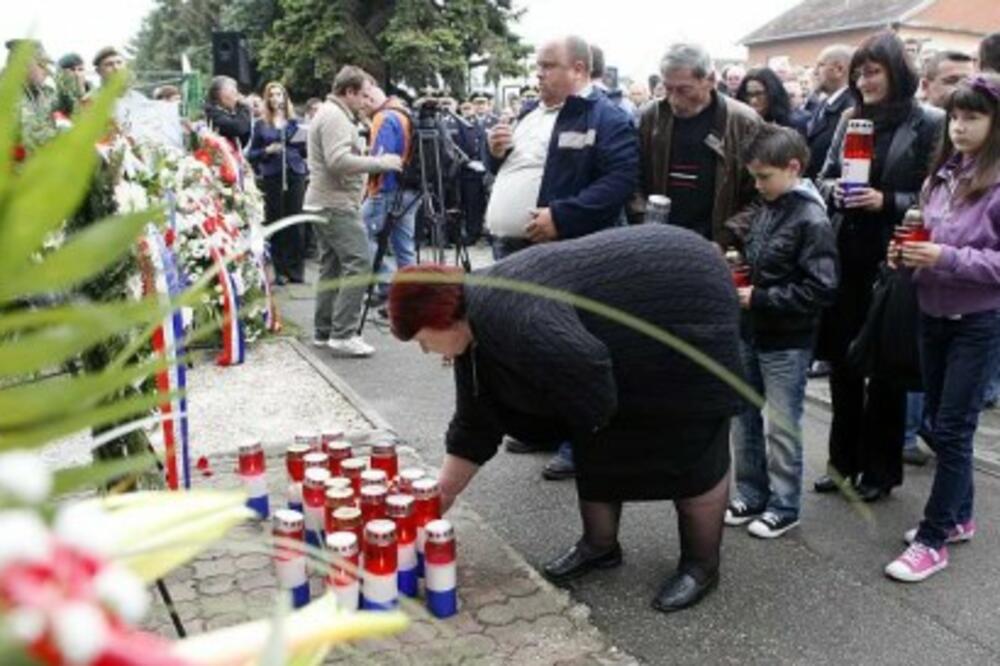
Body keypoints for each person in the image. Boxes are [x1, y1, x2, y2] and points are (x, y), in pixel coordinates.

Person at [387, 224, 744, 612]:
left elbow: (588, 370)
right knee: (596, 444)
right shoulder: (471, 318)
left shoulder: (508, 313)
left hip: (688, 302)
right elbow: (475, 421)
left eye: (423, 341)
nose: (426, 351)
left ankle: (701, 565)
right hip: (616, 342)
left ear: (443, 320)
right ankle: (600, 547)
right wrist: (440, 496)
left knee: (691, 449)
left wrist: (580, 425)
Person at [484, 35, 639, 480]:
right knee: (528, 346)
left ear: (578, 69)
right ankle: (544, 427)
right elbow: (516, 170)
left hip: (562, 249)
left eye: (547, 66)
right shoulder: (532, 115)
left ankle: (579, 441)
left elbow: (619, 180)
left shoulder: (604, 116)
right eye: (537, 67)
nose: (538, 75)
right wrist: (494, 154)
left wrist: (562, 218)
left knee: (569, 347)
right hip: (512, 247)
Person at [813, 31, 944, 502]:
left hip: (894, 256)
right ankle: (842, 464)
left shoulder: (929, 121)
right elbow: (822, 178)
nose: (864, 81)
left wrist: (884, 199)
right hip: (846, 252)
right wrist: (840, 194)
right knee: (844, 366)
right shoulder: (851, 118)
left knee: (885, 370)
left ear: (895, 71)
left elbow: (937, 195)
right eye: (859, 73)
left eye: (872, 72)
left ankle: (880, 472)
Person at [883, 73, 1000, 582]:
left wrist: (945, 256)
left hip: (978, 320)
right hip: (931, 313)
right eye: (954, 116)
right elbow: (928, 236)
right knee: (936, 421)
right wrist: (905, 255)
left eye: (972, 117)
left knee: (951, 430)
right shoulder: (943, 174)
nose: (959, 126)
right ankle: (960, 516)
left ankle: (933, 539)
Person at [724, 125, 838, 538]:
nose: (757, 185)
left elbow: (822, 288)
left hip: (786, 341)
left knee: (783, 424)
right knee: (744, 417)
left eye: (763, 176)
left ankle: (785, 504)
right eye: (754, 176)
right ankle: (752, 493)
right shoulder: (772, 203)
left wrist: (762, 297)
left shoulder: (811, 217)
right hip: (751, 330)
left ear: (793, 168)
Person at [304, 65, 402, 357]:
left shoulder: (330, 113)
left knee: (332, 267)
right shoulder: (335, 116)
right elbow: (337, 161)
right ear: (348, 92)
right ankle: (343, 334)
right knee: (359, 264)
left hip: (322, 201)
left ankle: (325, 331)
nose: (366, 101)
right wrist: (380, 163)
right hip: (335, 204)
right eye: (363, 95)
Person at [636, 42, 761, 247]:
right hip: (658, 242)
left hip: (716, 245)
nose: (674, 100)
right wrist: (644, 222)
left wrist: (729, 235)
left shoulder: (744, 122)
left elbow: (762, 195)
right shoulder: (651, 116)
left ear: (710, 80)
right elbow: (632, 178)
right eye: (668, 89)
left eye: (684, 90)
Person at [360, 83, 420, 302]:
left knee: (359, 232)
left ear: (368, 97)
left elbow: (381, 161)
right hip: (411, 188)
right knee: (404, 245)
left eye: (362, 102)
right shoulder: (403, 111)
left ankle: (388, 282)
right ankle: (410, 295)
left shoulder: (383, 117)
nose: (361, 107)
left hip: (387, 189)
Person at [248, 81, 308, 285]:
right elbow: (251, 154)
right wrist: (266, 151)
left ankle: (296, 269)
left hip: (295, 172)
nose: (276, 98)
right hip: (273, 174)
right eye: (271, 95)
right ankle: (280, 269)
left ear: (285, 97)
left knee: (295, 220)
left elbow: (305, 150)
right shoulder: (261, 124)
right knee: (277, 220)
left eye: (279, 94)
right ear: (267, 99)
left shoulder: (295, 122)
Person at [805, 45, 855, 179]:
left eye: (820, 65)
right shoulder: (823, 103)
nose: (814, 72)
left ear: (839, 69)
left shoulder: (852, 109)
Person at [735, 67, 809, 133]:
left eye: (759, 94)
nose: (753, 101)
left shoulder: (794, 125)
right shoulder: (739, 127)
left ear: (772, 93)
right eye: (749, 95)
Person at [204, 75, 251, 150]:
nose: (237, 97)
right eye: (232, 92)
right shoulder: (212, 112)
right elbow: (238, 128)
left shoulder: (228, 112)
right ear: (220, 94)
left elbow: (244, 136)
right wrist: (243, 106)